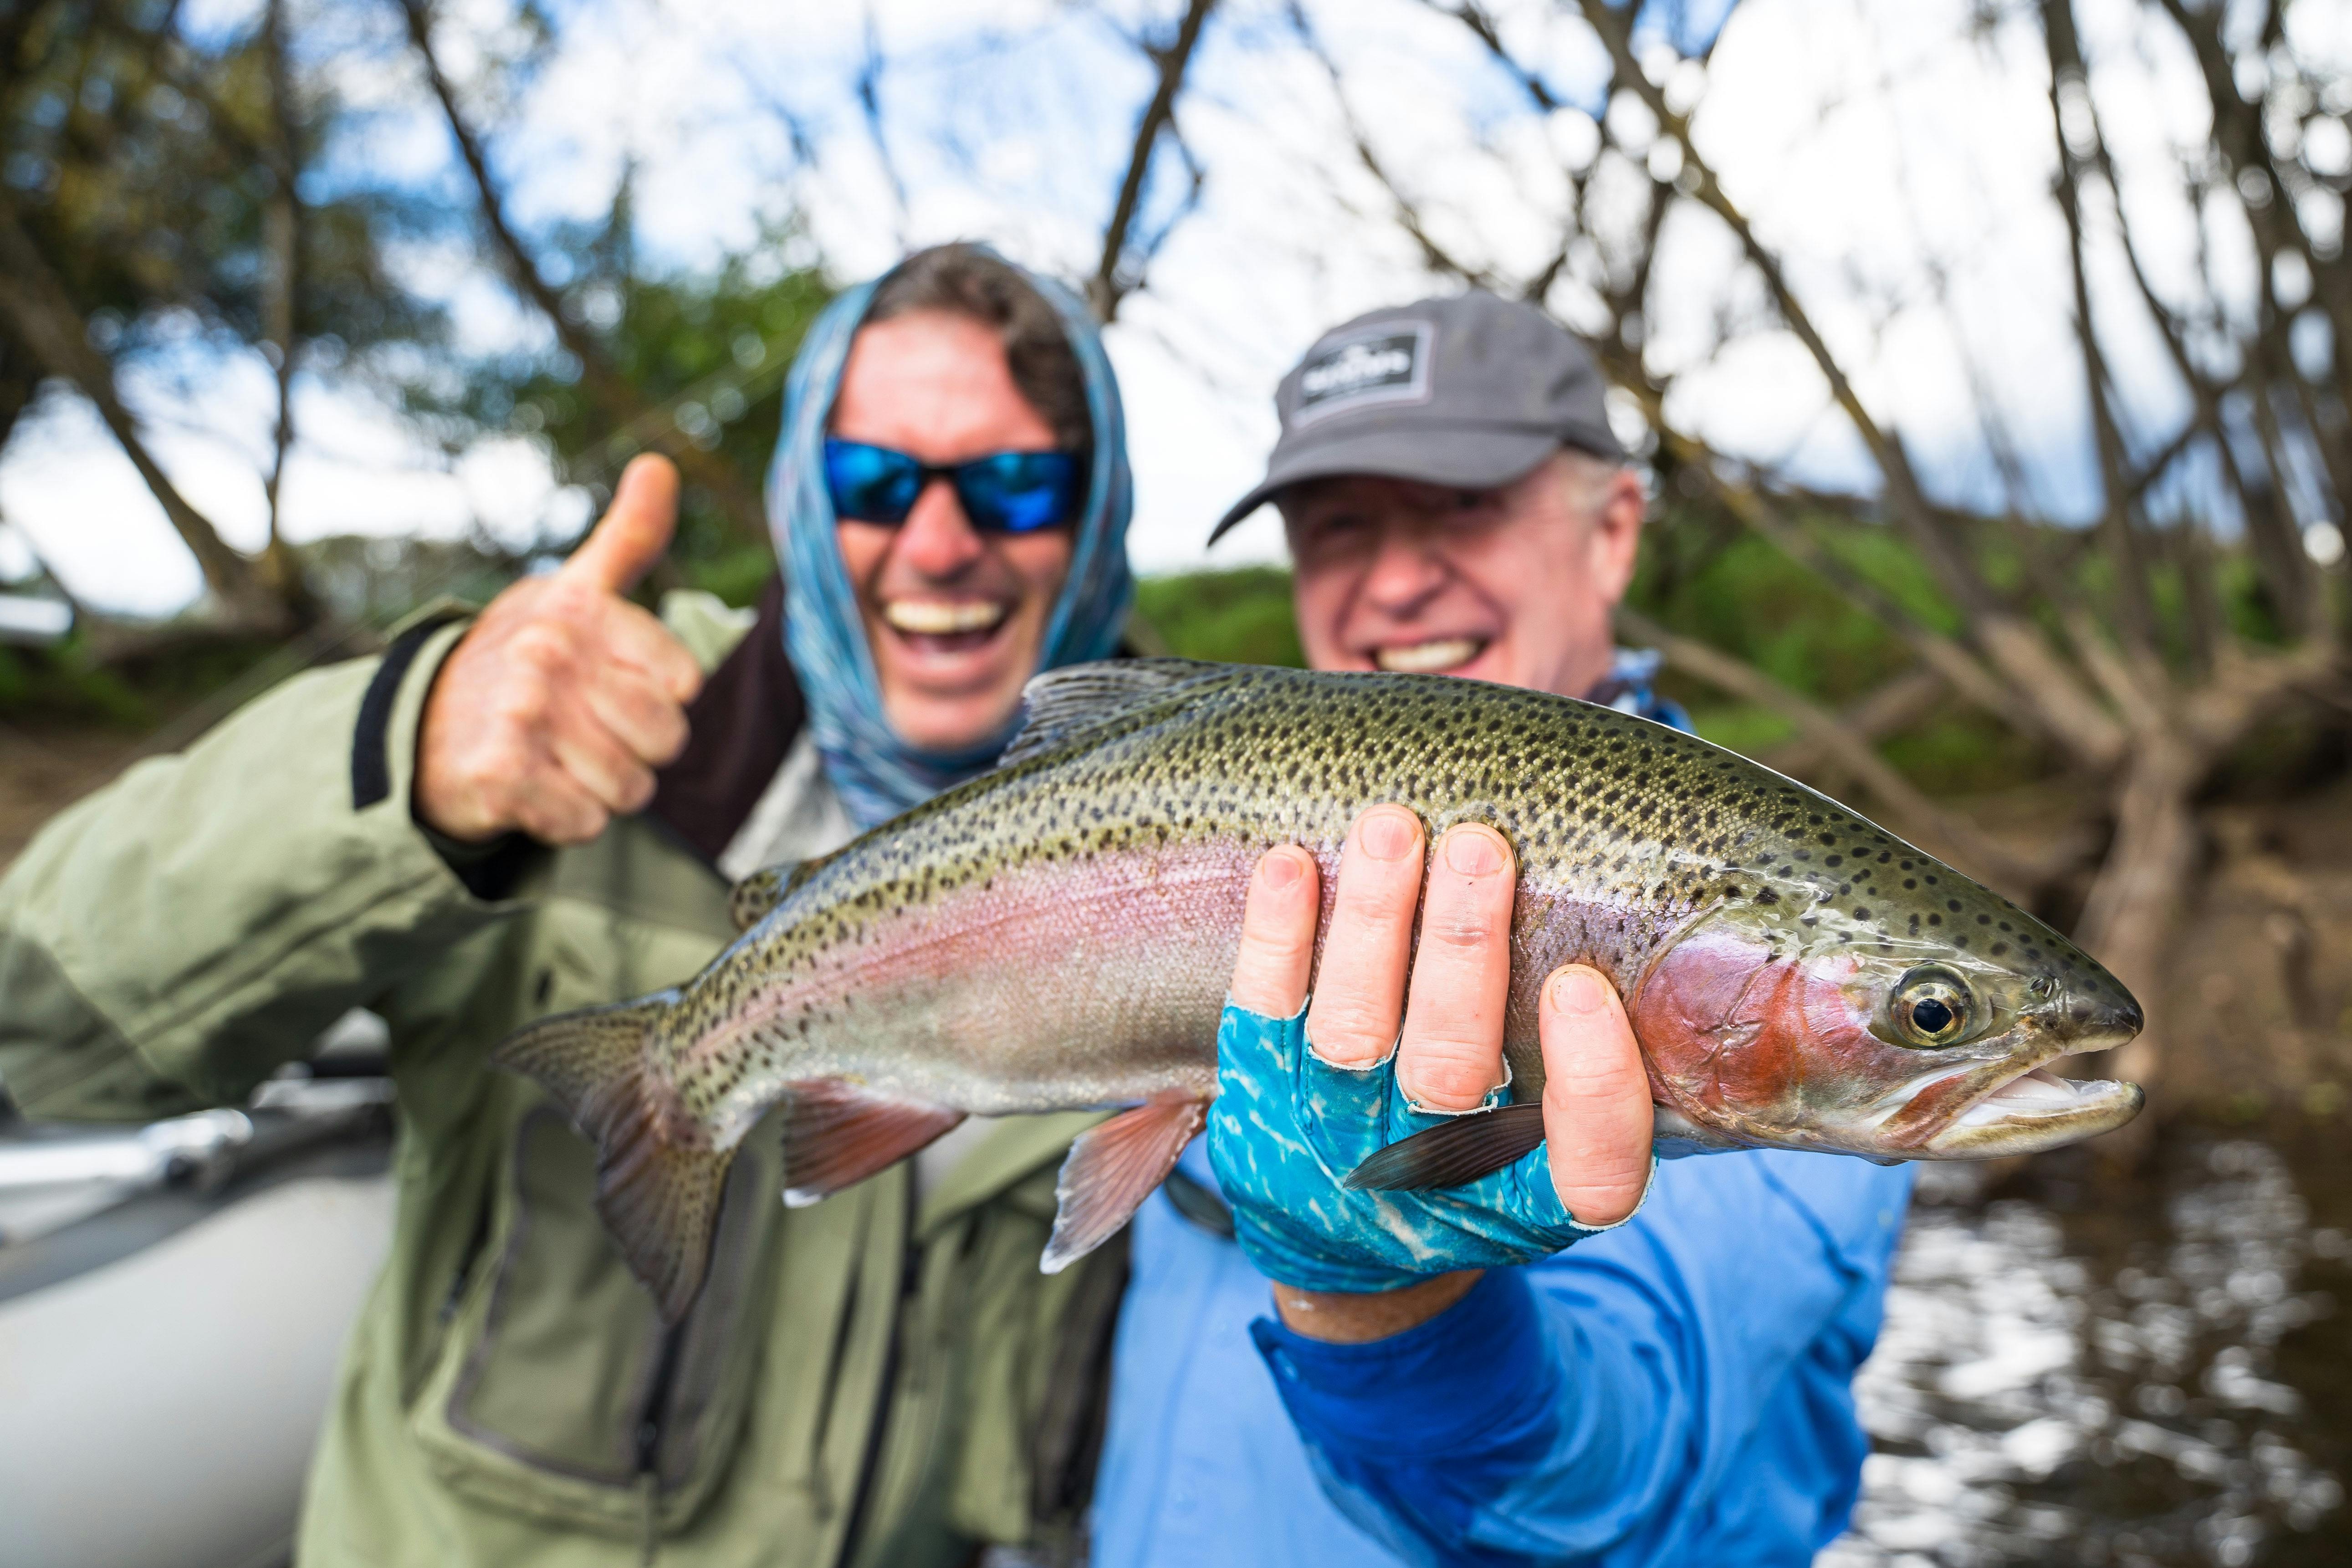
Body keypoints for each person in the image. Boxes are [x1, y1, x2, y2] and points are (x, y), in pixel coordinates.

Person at [1083, 290, 1914, 1567]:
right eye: (1341, 526)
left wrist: (1392, 1306)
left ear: (1614, 529)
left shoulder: (1774, 966)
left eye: (1460, 507)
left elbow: (1607, 1483)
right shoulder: (1221, 836)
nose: (1397, 580)